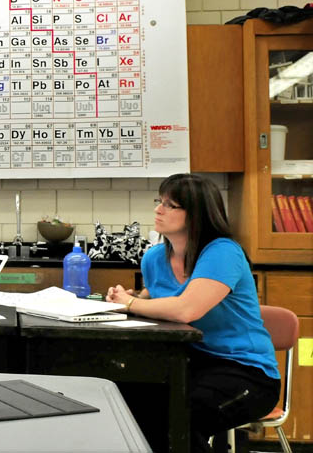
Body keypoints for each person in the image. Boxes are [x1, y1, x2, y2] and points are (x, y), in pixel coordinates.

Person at [105, 173, 280, 452]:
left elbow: (186, 309)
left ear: (198, 213)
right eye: (159, 201)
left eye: (170, 204)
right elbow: (162, 296)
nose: (158, 209)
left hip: (246, 372)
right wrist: (131, 296)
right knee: (126, 402)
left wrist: (129, 304)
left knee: (177, 418)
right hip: (188, 362)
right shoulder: (153, 258)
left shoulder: (223, 252)